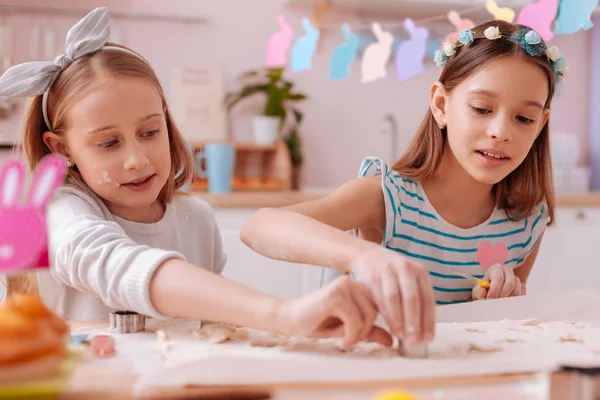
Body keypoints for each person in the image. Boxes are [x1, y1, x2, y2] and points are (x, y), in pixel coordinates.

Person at [0, 8, 392, 348]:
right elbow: (116, 263)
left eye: (150, 132)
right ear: (62, 149)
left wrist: (290, 328)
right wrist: (283, 314)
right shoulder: (61, 213)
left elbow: (210, 327)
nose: (136, 160)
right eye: (108, 143)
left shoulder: (198, 219)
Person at [241, 20, 567, 346]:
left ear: (540, 125)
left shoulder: (525, 224)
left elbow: (491, 336)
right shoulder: (387, 198)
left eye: (524, 118)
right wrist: (361, 257)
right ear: (441, 105)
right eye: (482, 108)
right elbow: (258, 227)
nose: (502, 132)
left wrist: (500, 305)